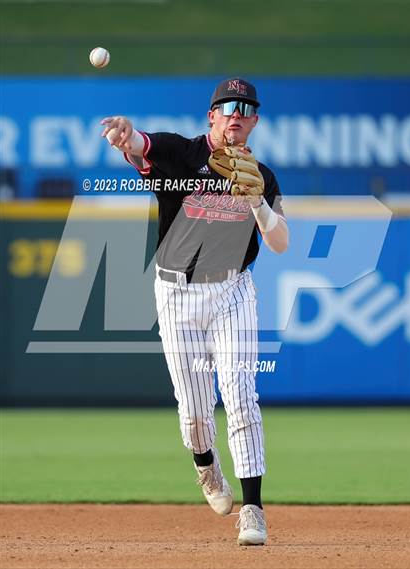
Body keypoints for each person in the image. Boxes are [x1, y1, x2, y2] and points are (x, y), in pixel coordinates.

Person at [101, 78, 289, 546]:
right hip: (177, 294)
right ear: (212, 116)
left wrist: (258, 204)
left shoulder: (261, 175)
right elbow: (143, 147)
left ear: (255, 123)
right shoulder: (181, 155)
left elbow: (281, 242)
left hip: (233, 291)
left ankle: (253, 509)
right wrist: (128, 139)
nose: (236, 116)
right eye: (227, 108)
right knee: (195, 408)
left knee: (241, 392)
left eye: (245, 110)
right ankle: (204, 463)